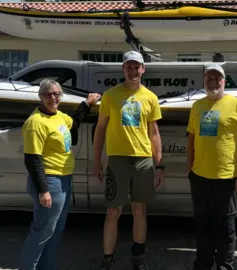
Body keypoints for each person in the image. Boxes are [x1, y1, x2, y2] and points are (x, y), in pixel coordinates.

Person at [93, 50, 165, 270]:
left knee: (139, 210)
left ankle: (138, 255)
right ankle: (107, 258)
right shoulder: (110, 95)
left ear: (143, 69)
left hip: (143, 160)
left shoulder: (150, 97)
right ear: (123, 69)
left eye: (137, 66)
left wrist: (159, 164)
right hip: (117, 161)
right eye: (129, 66)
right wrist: (97, 160)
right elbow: (100, 129)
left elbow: (154, 133)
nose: (133, 70)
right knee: (113, 211)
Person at [19, 79, 101, 270]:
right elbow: (32, 159)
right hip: (49, 182)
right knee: (41, 233)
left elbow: (74, 123)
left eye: (56, 94)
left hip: (63, 181)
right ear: (40, 97)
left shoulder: (59, 116)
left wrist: (87, 104)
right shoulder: (35, 122)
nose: (52, 98)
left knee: (54, 231)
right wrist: (43, 191)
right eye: (47, 94)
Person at [186, 64, 237, 270]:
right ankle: (203, 264)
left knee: (226, 229)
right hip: (199, 177)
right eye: (209, 78)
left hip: (226, 177)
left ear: (224, 82)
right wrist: (189, 166)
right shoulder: (197, 106)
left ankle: (224, 266)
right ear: (204, 81)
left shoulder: (236, 105)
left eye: (217, 78)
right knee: (203, 226)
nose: (213, 82)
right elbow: (191, 137)